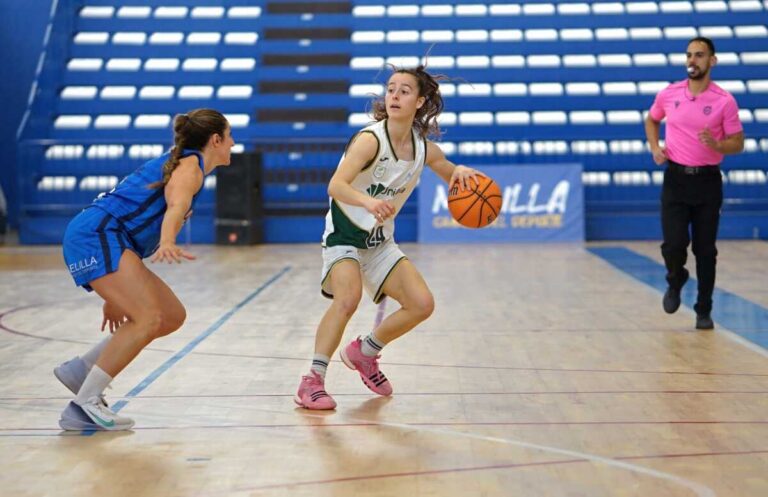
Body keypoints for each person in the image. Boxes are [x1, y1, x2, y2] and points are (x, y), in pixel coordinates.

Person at [295, 65, 483, 409]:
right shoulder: (370, 140)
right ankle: (312, 380)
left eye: (404, 91)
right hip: (345, 235)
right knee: (348, 299)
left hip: (379, 242)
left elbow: (446, 169)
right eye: (391, 89)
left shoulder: (422, 148)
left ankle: (364, 352)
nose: (394, 96)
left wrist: (461, 172)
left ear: (420, 101)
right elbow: (335, 185)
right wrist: (367, 200)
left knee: (421, 304)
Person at [56, 109, 235, 430]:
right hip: (97, 236)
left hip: (108, 239)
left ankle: (82, 370)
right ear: (216, 139)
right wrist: (168, 241)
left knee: (170, 315)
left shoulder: (185, 163)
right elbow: (177, 204)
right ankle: (84, 405)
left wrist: (115, 296)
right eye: (230, 136)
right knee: (148, 317)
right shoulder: (190, 167)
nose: (233, 144)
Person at [644, 37, 744, 330]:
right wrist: (655, 147)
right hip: (675, 179)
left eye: (699, 55)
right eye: (689, 55)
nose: (693, 60)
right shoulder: (669, 94)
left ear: (712, 61)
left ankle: (704, 309)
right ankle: (676, 280)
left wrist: (717, 144)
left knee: (705, 250)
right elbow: (651, 120)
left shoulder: (724, 101)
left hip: (707, 183)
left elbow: (737, 142)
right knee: (674, 245)